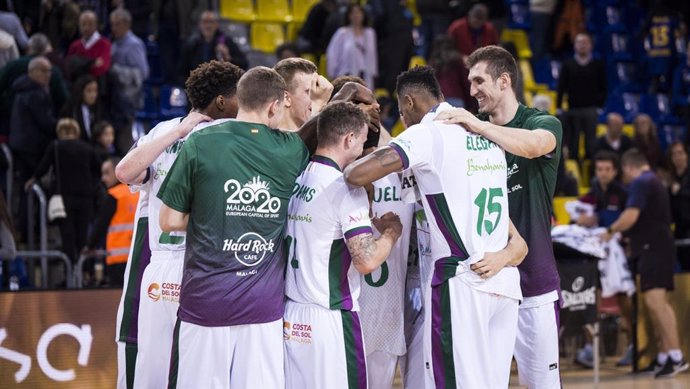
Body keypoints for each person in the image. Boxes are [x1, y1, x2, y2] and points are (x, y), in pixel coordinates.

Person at [344, 65, 528, 389]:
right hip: (504, 283)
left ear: (410, 103)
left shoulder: (426, 133)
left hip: (463, 279)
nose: (402, 120)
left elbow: (356, 174)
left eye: (401, 113)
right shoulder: (484, 132)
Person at [433, 45, 563, 388]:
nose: (472, 90)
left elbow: (534, 145)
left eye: (479, 81)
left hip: (534, 282)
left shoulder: (541, 122)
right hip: (486, 284)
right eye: (470, 82)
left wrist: (476, 126)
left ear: (504, 81)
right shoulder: (470, 135)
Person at [115, 60, 244, 389]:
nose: (243, 104)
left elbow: (125, 173)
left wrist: (177, 130)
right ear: (220, 102)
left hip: (161, 271)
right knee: (202, 373)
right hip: (208, 268)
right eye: (238, 97)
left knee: (152, 370)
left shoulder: (163, 131)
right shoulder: (232, 136)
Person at [284, 101, 403, 389]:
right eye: (362, 142)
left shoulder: (295, 177)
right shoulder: (344, 188)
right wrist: (390, 233)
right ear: (349, 139)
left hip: (291, 317)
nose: (363, 150)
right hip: (330, 319)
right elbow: (367, 260)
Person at [601, 148, 688, 378]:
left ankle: (676, 356)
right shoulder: (653, 181)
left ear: (630, 167)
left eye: (625, 173)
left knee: (658, 303)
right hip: (654, 248)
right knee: (653, 304)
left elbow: (631, 215)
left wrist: (610, 231)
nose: (625, 179)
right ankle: (663, 355)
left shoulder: (641, 182)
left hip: (655, 249)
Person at [573, 151, 633, 367]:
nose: (603, 173)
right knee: (591, 298)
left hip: (619, 256)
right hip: (595, 254)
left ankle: (633, 345)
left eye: (607, 169)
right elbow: (577, 216)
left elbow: (631, 222)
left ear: (615, 171)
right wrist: (582, 220)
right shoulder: (592, 194)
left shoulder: (624, 193)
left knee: (624, 301)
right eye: (599, 169)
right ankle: (591, 349)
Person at [25, 118, 100, 264]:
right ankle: (83, 274)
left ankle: (70, 274)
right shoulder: (86, 147)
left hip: (64, 199)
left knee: (68, 237)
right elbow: (98, 169)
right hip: (85, 198)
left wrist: (33, 178)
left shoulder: (55, 146)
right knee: (83, 237)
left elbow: (43, 167)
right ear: (76, 131)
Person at [0, 33, 69, 138]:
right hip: (44, 126)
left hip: (11, 121)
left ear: (29, 48)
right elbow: (64, 99)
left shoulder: (12, 66)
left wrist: (6, 105)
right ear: (47, 50)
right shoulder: (53, 71)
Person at [87, 157, 139, 287]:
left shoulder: (114, 195)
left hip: (118, 259)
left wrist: (89, 246)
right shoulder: (139, 192)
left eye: (107, 173)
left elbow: (100, 224)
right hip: (138, 256)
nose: (103, 178)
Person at [556, 32, 607, 161]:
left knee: (591, 146)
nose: (582, 45)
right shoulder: (568, 65)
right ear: (575, 46)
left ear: (591, 46)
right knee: (573, 145)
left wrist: (600, 106)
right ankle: (576, 174)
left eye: (585, 43)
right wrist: (558, 106)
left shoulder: (598, 65)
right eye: (579, 43)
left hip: (591, 110)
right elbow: (561, 87)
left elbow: (604, 87)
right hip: (573, 110)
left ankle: (590, 174)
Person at [177, 10, 248, 85]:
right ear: (200, 25)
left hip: (220, 86)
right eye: (205, 22)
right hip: (198, 87)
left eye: (211, 22)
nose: (208, 25)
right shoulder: (191, 44)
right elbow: (181, 71)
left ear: (217, 24)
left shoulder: (226, 42)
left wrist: (229, 58)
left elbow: (244, 64)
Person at [109, 8, 149, 128]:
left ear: (127, 24)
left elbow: (143, 73)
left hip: (130, 100)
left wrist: (116, 70)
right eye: (112, 25)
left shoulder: (134, 44)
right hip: (115, 98)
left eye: (118, 24)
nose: (114, 28)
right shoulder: (114, 44)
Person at [326, 3, 378, 88]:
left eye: (359, 12)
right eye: (353, 13)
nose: (356, 15)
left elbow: (373, 56)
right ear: (348, 15)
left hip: (365, 75)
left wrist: (374, 75)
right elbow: (332, 54)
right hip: (346, 74)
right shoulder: (342, 33)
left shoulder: (370, 33)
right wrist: (332, 74)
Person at [273, 57, 333, 131]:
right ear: (286, 98)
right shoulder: (267, 138)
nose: (317, 96)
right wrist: (317, 103)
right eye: (309, 92)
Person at [66, 10, 111, 78]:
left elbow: (102, 68)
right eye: (83, 24)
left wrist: (80, 65)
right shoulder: (74, 45)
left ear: (96, 25)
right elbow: (68, 67)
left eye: (90, 24)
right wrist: (91, 63)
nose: (86, 28)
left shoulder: (104, 44)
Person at [60, 75, 105, 142]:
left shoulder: (96, 108)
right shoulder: (71, 109)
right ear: (81, 91)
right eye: (89, 91)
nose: (93, 95)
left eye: (95, 91)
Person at [667, 142, 690, 271]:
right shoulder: (670, 178)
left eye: (680, 153)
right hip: (678, 228)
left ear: (686, 155)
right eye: (674, 154)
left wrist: (680, 191)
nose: (677, 157)